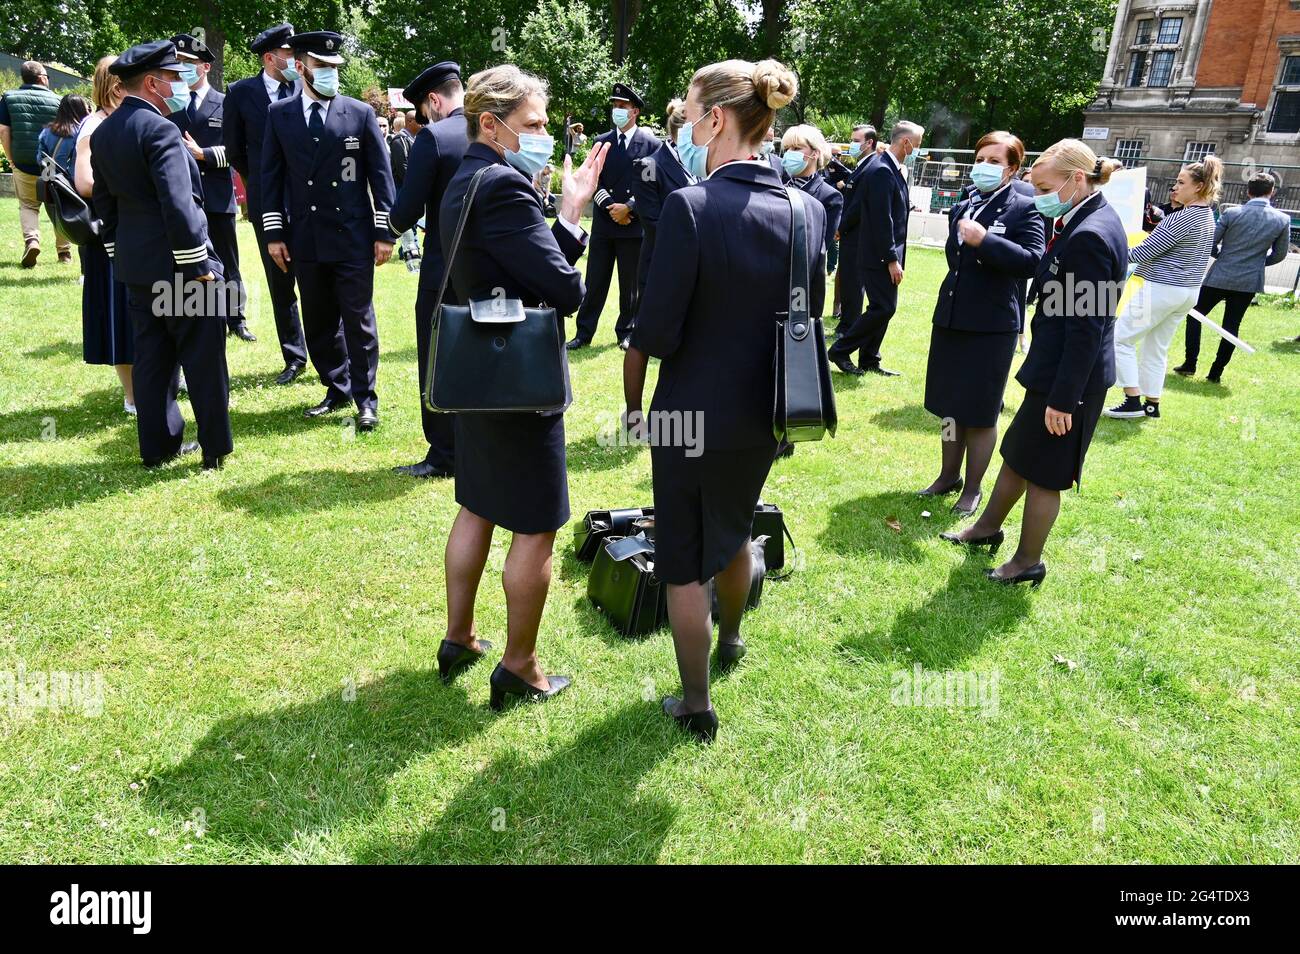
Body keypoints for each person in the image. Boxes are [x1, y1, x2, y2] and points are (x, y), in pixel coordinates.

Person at [625, 57, 819, 743]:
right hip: (766, 411)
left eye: (686, 109)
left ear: (715, 118)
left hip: (689, 410)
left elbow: (654, 330)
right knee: (734, 528)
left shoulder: (690, 205)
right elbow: (807, 316)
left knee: (682, 555)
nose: (680, 121)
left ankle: (696, 702)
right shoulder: (808, 208)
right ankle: (730, 638)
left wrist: (633, 404)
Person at [434, 64, 608, 704]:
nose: (541, 134)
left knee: (478, 503)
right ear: (491, 123)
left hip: (479, 376)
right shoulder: (503, 186)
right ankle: (521, 666)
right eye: (533, 123)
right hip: (520, 384)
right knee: (535, 523)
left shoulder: (463, 178)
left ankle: (459, 636)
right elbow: (564, 287)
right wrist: (570, 214)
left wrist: (556, 218)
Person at [942, 140, 1127, 586]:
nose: (1038, 194)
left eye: (1044, 186)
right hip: (1054, 369)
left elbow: (1087, 328)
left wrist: (1064, 399)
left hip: (1070, 381)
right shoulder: (1081, 219)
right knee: (1019, 455)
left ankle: (1028, 561)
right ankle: (987, 528)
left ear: (1075, 180)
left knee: (1045, 475)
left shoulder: (1091, 236)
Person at [91, 40, 233, 470]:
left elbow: (105, 206)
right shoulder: (162, 130)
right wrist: (198, 265)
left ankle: (157, 447)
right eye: (173, 76)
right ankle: (213, 450)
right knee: (205, 359)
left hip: (138, 269)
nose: (180, 82)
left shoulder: (105, 132)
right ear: (152, 83)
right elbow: (179, 203)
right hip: (183, 269)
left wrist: (121, 258)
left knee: (151, 361)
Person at [261, 30, 396, 431]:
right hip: (306, 237)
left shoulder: (358, 113)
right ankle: (336, 387)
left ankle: (365, 398)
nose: (331, 74)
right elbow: (270, 177)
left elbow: (381, 176)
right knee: (318, 321)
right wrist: (273, 234)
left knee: (359, 321)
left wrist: (384, 231)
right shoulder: (280, 115)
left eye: (336, 67)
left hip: (352, 236)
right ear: (301, 67)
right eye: (322, 67)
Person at [920, 131, 1044, 518]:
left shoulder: (1025, 206)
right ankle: (947, 475)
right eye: (980, 159)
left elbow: (1032, 260)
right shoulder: (965, 202)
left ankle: (972, 488)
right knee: (948, 408)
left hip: (991, 326)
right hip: (953, 318)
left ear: (1012, 168)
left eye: (994, 161)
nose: (984, 167)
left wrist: (986, 241)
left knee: (980, 411)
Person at [388, 61, 468, 479]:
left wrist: (385, 227)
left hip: (444, 269)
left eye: (424, 108)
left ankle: (443, 454)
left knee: (436, 357)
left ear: (434, 100)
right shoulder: (493, 128)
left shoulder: (434, 138)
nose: (426, 117)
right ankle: (477, 444)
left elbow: (406, 210)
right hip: (490, 269)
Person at [223, 23, 310, 385]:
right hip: (267, 201)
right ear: (270, 58)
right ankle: (294, 356)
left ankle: (327, 353)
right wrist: (263, 179)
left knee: (316, 278)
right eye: (289, 54)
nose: (295, 60)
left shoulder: (304, 88)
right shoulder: (241, 93)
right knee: (280, 282)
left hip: (307, 201)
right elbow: (234, 149)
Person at [1105, 156, 1219, 421]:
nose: (1174, 187)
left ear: (1199, 186)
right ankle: (1151, 404)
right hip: (1187, 292)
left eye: (1181, 182)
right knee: (1156, 348)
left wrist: (1110, 251)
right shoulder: (1207, 216)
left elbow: (1146, 251)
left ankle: (1132, 400)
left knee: (1119, 338)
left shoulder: (1182, 217)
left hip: (1161, 289)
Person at [169, 34, 254, 345]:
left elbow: (237, 149)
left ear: (204, 67)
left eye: (186, 64)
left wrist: (203, 154)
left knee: (228, 261)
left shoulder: (224, 101)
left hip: (217, 194)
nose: (180, 69)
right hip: (182, 195)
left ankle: (236, 318)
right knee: (188, 260)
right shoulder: (169, 103)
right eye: (177, 63)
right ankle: (200, 316)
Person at [1174, 172, 1291, 383]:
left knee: (1195, 315)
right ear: (1272, 192)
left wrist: (1223, 257)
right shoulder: (1282, 219)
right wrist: (1258, 264)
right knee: (1231, 326)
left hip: (1220, 274)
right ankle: (1216, 373)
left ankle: (1190, 363)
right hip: (1248, 281)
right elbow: (1280, 254)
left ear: (1247, 191)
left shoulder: (1232, 213)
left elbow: (1211, 242)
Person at [829, 120, 924, 377]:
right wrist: (891, 258)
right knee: (884, 307)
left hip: (885, 252)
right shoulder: (882, 170)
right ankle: (840, 349)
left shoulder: (891, 169)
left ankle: (870, 359)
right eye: (917, 144)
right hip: (878, 253)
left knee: (884, 306)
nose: (918, 149)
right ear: (905, 142)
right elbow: (883, 219)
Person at [567, 83, 655, 351]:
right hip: (606, 224)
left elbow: (650, 184)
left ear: (635, 111)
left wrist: (629, 206)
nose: (617, 111)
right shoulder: (600, 141)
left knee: (630, 286)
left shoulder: (651, 144)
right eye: (614, 106)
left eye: (622, 107)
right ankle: (584, 333)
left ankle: (626, 332)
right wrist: (612, 209)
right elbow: (595, 181)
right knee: (595, 281)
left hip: (632, 225)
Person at [73, 61, 133, 414]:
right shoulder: (93, 127)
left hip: (128, 232)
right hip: (107, 236)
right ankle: (132, 397)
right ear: (115, 88)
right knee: (118, 316)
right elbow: (84, 182)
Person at [0, 60, 67, 266]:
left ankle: (32, 241)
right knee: (58, 205)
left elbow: (3, 130)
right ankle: (64, 253)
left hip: (23, 163)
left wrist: (11, 158)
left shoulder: (9, 98)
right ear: (41, 78)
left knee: (28, 205)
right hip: (50, 164)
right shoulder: (57, 100)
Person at [630, 97, 694, 306]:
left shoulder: (703, 164)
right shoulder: (649, 165)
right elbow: (652, 221)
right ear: (682, 134)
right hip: (663, 263)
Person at [780, 123, 842, 318]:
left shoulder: (829, 197)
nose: (790, 153)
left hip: (800, 288)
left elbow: (818, 247)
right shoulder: (775, 186)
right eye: (787, 149)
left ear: (815, 153)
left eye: (797, 148)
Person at [832, 123, 878, 323]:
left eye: (856, 141)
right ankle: (846, 322)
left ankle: (849, 325)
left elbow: (858, 205)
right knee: (847, 280)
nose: (851, 144)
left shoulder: (871, 167)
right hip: (851, 234)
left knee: (853, 281)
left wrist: (840, 228)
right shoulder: (862, 166)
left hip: (857, 234)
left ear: (869, 143)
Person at [36, 93, 89, 182]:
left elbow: (40, 159)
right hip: (74, 183)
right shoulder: (83, 131)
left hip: (52, 182)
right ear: (82, 109)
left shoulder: (47, 131)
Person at [388, 110, 415, 186]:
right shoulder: (399, 141)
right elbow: (402, 167)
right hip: (402, 186)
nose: (422, 124)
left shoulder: (411, 138)